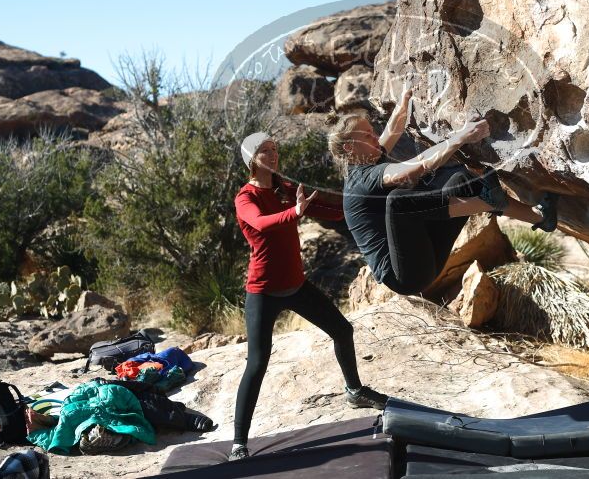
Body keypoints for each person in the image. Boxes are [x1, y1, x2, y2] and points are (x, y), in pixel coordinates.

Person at [230, 132, 388, 461]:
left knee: (343, 330)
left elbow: (323, 208)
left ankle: (354, 391)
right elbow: (261, 222)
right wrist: (296, 213)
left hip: (297, 286)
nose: (273, 155)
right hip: (263, 292)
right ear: (251, 160)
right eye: (265, 151)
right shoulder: (245, 198)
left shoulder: (284, 189)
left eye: (275, 149)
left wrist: (353, 204)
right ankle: (238, 443)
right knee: (257, 363)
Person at [328, 87, 558, 296]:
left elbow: (393, 130)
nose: (375, 137)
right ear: (350, 147)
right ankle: (489, 202)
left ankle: (540, 217)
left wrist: (405, 96)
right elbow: (415, 167)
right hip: (405, 276)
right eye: (367, 135)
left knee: (461, 179)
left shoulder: (368, 157)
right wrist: (461, 137)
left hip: (427, 252)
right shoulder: (362, 178)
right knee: (398, 202)